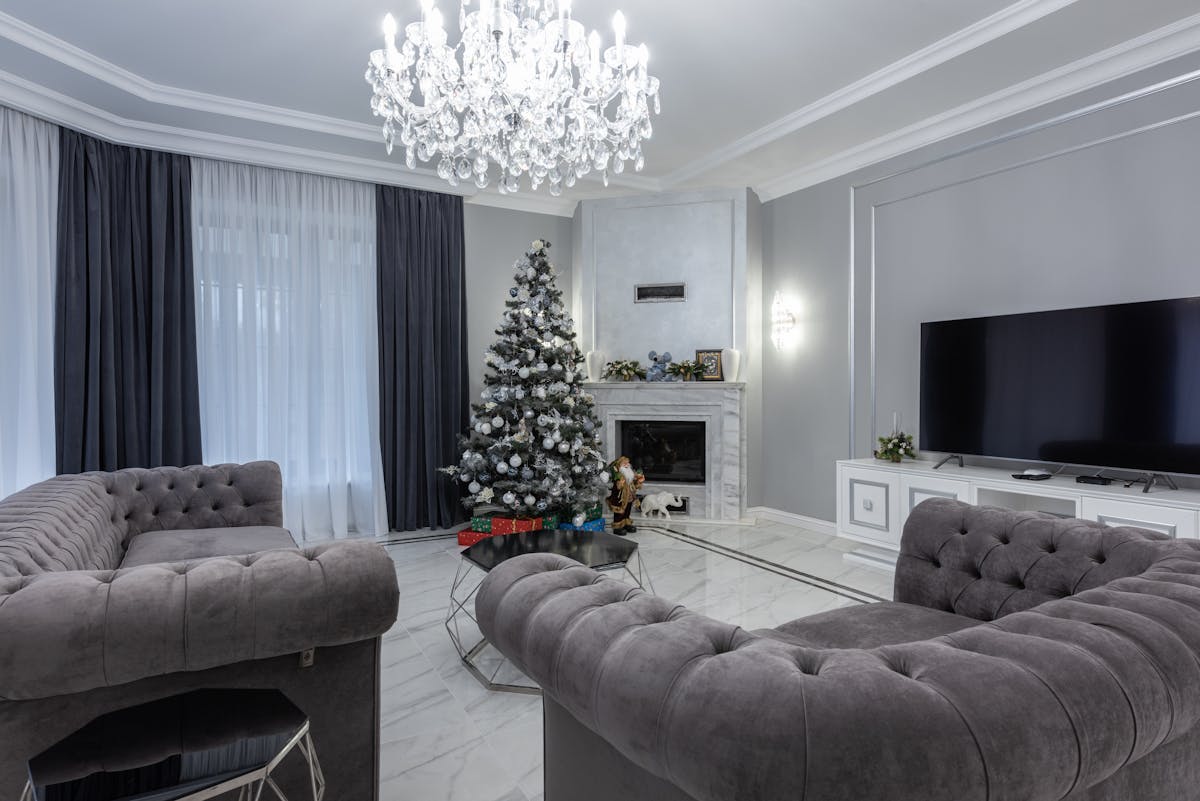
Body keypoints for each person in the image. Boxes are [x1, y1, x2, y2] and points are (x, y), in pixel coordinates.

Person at [606, 456, 645, 535]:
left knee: (627, 511)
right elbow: (618, 486)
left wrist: (638, 481)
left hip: (629, 497)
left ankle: (626, 523)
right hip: (620, 498)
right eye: (624, 463)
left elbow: (634, 484)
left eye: (627, 463)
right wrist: (620, 482)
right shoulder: (619, 475)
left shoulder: (630, 474)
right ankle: (618, 526)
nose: (627, 464)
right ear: (620, 465)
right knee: (619, 512)